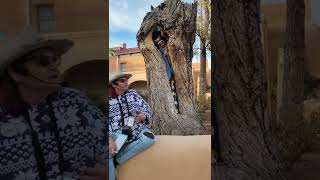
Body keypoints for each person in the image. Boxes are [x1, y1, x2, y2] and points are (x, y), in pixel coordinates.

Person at [0, 27, 107, 180]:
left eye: (55, 59)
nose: (54, 67)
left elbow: (108, 143)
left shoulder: (75, 101)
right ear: (15, 73)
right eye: (42, 61)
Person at [108, 71, 156, 180]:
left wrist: (143, 116)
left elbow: (146, 108)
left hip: (136, 130)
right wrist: (110, 138)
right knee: (108, 154)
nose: (126, 83)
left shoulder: (132, 94)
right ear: (114, 84)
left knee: (150, 139)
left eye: (126, 80)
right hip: (117, 134)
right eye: (122, 81)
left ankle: (118, 159)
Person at [152, 30, 179, 112]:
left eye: (160, 40)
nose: (160, 43)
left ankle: (176, 108)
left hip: (173, 69)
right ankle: (174, 109)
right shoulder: (159, 50)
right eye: (157, 41)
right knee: (172, 90)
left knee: (174, 89)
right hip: (168, 71)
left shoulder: (167, 44)